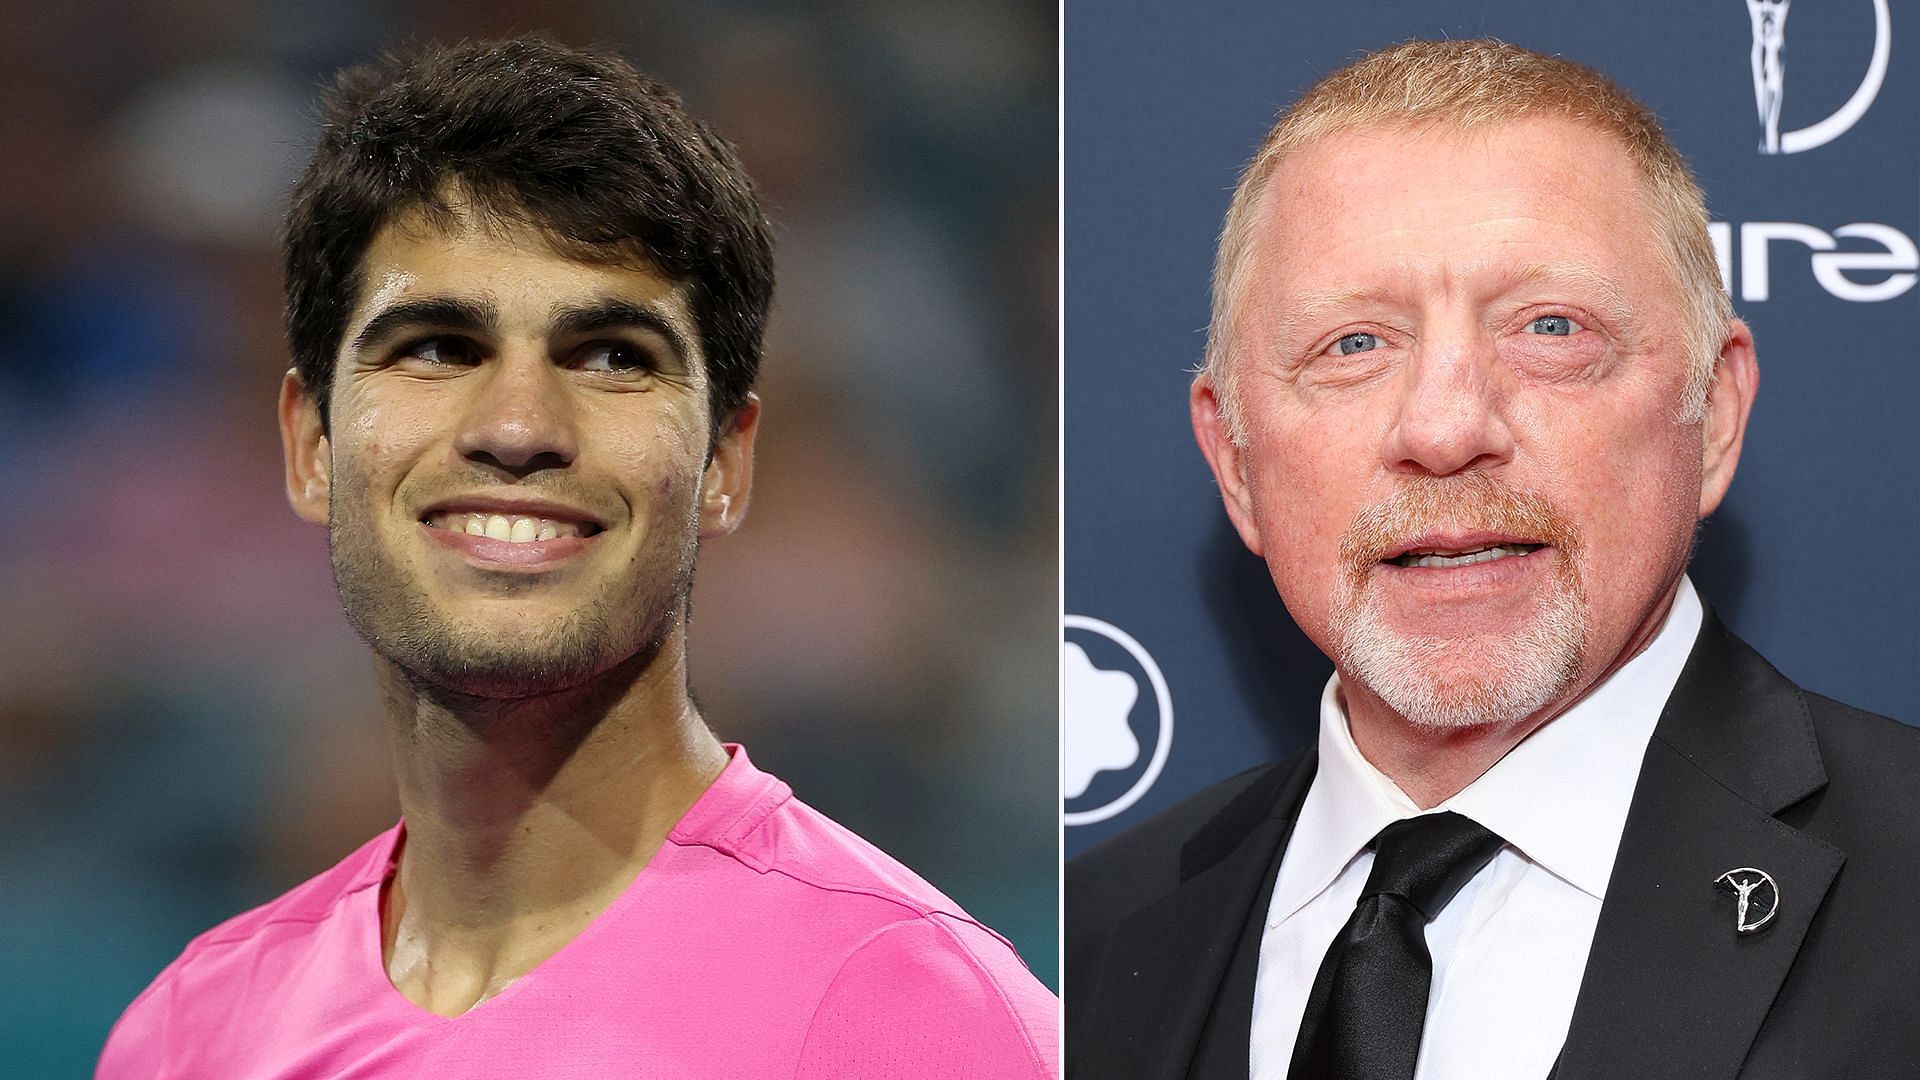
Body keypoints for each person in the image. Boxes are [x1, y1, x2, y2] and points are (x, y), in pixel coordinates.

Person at [98, 36, 1057, 1079]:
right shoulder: (187, 1034)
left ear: (727, 461)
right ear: (310, 445)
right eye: (436, 347)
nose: (517, 427)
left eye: (611, 357)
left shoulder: (913, 1010)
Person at [1066, 39, 1919, 1080]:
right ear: (1236, 461)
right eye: (1354, 345)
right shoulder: (1093, 939)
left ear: (1716, 414)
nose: (1445, 424)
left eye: (1550, 328)